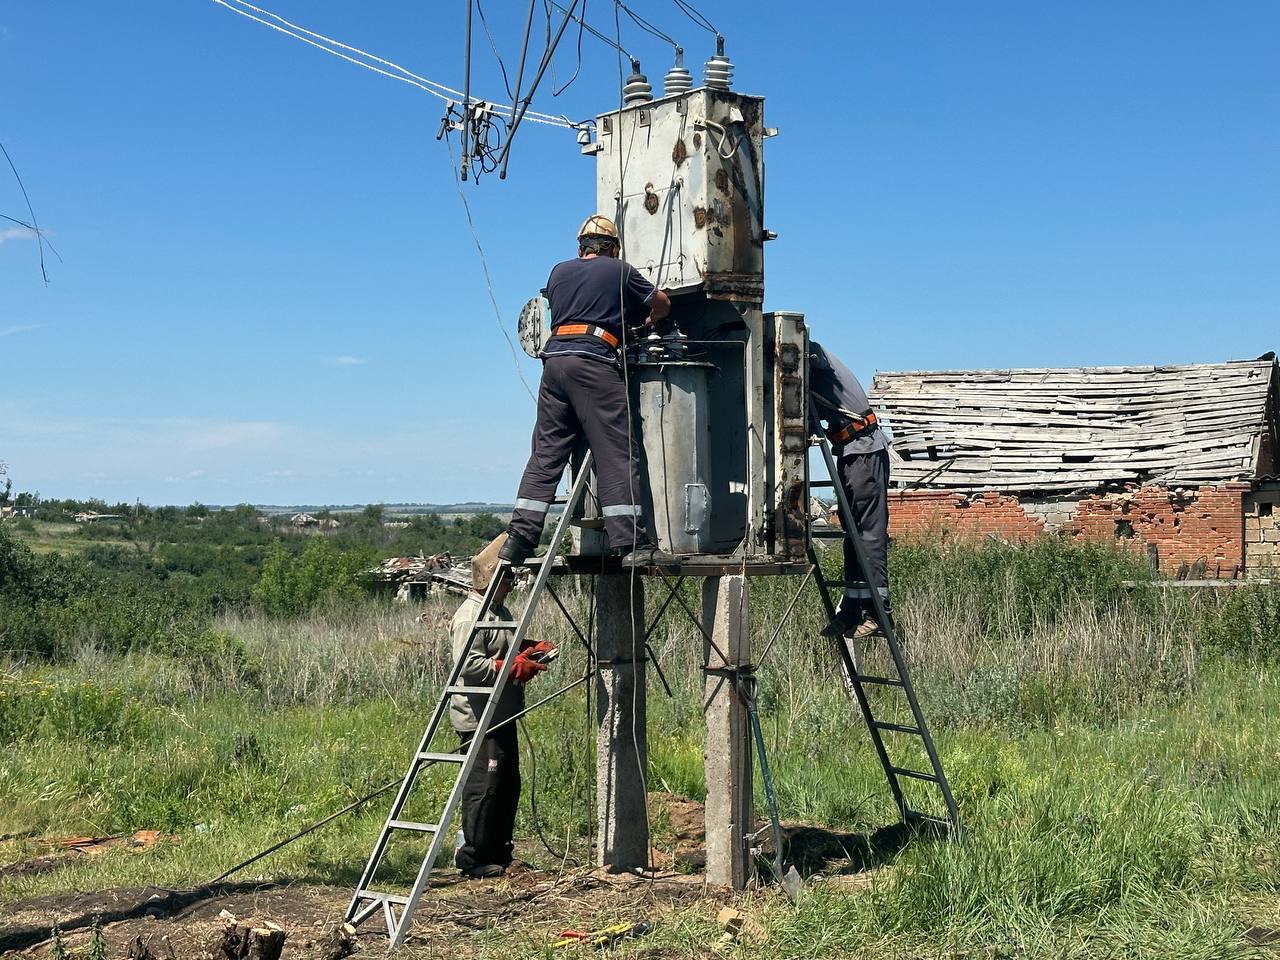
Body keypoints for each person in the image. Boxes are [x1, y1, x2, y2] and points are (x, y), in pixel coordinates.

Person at [499, 215, 675, 569]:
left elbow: (580, 308)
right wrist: (645, 321)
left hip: (554, 364)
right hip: (592, 363)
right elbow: (662, 303)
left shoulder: (558, 272)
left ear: (580, 247)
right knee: (616, 451)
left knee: (546, 453)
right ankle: (631, 545)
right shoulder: (619, 270)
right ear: (613, 248)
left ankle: (519, 538)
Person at [449, 533, 555, 878]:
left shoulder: (499, 611)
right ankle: (472, 857)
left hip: (503, 712)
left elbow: (503, 644)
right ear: (491, 578)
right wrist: (510, 667)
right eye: (507, 578)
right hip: (479, 717)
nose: (511, 585)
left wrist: (529, 647)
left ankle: (500, 853)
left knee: (508, 784)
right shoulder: (469, 617)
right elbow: (468, 664)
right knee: (485, 786)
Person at [808, 341, 892, 639]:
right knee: (853, 537)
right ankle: (852, 611)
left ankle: (879, 613)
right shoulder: (814, 380)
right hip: (850, 451)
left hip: (864, 450)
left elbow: (806, 348)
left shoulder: (812, 353)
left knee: (869, 535)